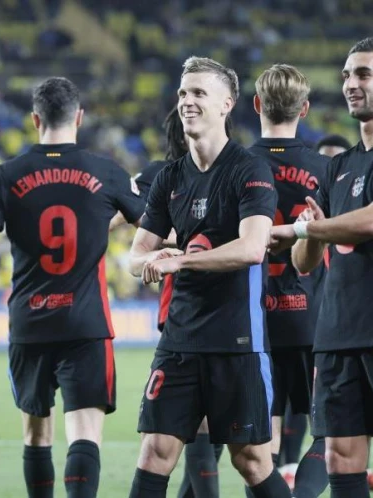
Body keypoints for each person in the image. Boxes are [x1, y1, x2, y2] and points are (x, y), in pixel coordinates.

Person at [0, 76, 146, 498]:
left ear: (35, 120)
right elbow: (155, 229)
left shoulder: (6, 175)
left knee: (36, 434)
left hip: (30, 325)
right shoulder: (106, 172)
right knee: (85, 432)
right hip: (86, 325)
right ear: (80, 118)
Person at [127, 56, 292, 498]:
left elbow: (253, 247)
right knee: (155, 451)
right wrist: (151, 256)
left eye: (199, 93)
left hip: (236, 340)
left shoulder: (248, 168)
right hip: (179, 341)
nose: (187, 102)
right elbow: (135, 254)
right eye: (183, 93)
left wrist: (178, 262)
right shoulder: (169, 178)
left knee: (251, 460)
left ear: (227, 104)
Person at [269, 37, 373, 498]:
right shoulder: (339, 167)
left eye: (364, 74)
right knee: (339, 457)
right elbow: (304, 262)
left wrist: (311, 230)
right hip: (336, 332)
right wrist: (309, 230)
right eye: (348, 74)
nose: (351, 83)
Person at [135, 105, 225, 498]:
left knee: (192, 429)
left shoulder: (155, 176)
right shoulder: (225, 172)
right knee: (209, 429)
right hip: (225, 310)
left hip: (177, 310)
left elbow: (116, 215)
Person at [249, 64, 330, 498]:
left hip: (251, 324)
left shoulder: (235, 165)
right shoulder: (325, 170)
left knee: (259, 443)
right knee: (326, 432)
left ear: (257, 105)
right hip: (311, 319)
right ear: (306, 109)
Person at [278, 132, 352, 484]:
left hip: (339, 318)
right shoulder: (326, 188)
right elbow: (303, 261)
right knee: (319, 425)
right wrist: (312, 230)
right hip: (317, 319)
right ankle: (290, 469)